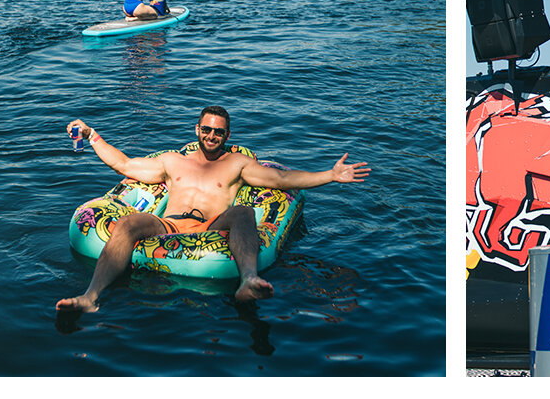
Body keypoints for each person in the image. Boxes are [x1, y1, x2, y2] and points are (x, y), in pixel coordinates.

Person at [56, 106, 371, 313]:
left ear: (227, 135)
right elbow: (123, 164)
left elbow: (281, 178)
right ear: (197, 129)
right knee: (126, 224)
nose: (211, 135)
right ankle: (91, 297)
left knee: (244, 214)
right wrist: (91, 135)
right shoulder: (171, 162)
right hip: (168, 225)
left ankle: (248, 281)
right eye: (206, 129)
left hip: (211, 226)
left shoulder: (237, 164)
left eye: (218, 131)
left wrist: (329, 175)